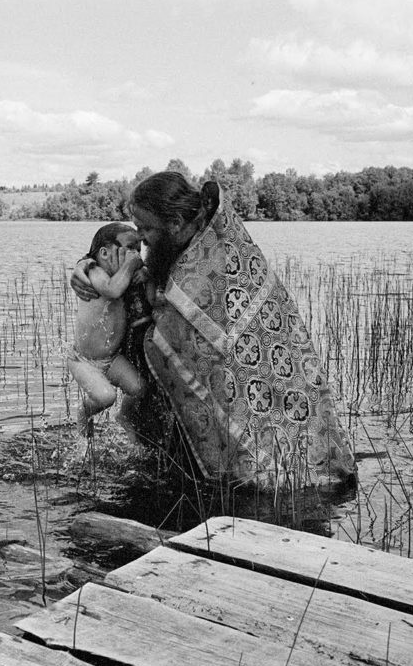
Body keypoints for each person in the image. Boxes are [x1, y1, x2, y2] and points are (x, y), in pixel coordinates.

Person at [72, 171, 357, 488]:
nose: (141, 238)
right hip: (189, 389)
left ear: (177, 222)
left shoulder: (219, 244)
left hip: (265, 365)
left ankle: (271, 466)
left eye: (147, 228)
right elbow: (142, 286)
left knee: (269, 456)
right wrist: (84, 265)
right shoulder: (173, 241)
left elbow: (191, 317)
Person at [69, 222, 148, 438]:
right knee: (105, 397)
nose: (136, 255)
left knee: (139, 388)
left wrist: (145, 273)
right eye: (130, 249)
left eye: (139, 250)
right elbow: (113, 290)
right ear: (104, 253)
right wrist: (132, 266)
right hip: (84, 360)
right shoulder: (95, 271)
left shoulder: (126, 274)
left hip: (112, 358)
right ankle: (84, 413)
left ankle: (124, 416)